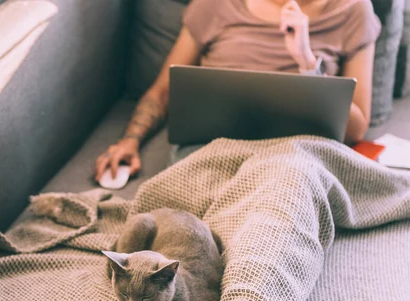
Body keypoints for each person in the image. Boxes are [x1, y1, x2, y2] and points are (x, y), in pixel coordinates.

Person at [94, 0, 381, 182]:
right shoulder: (215, 5)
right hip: (212, 151)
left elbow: (355, 129)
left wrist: (307, 62)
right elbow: (163, 91)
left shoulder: (353, 10)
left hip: (295, 158)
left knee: (287, 186)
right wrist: (129, 141)